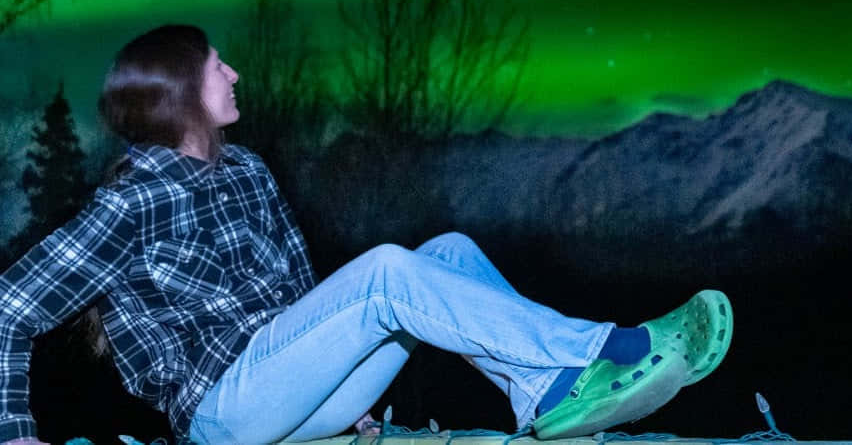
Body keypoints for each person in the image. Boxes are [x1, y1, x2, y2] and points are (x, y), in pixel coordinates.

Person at [0, 25, 733, 445]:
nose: (235, 71)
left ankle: (544, 393)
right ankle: (599, 347)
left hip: (291, 394)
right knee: (387, 271)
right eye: (217, 65)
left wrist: (341, 382)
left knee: (447, 252)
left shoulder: (246, 169)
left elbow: (295, 295)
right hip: (223, 410)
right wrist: (13, 430)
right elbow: (11, 306)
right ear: (179, 93)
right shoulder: (131, 202)